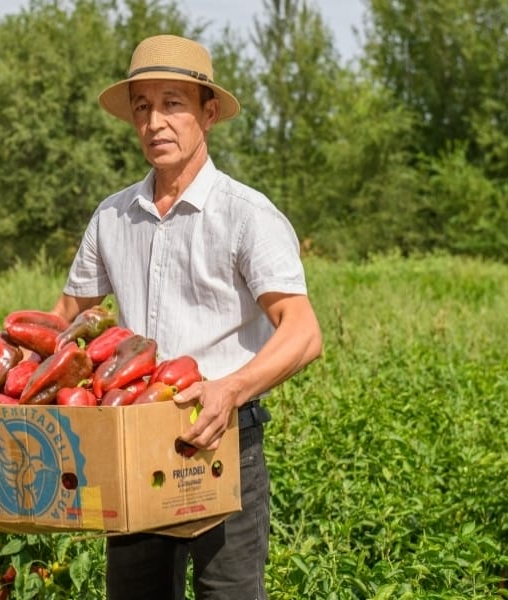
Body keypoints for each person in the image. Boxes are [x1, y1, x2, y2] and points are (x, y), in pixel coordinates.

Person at [51, 34, 323, 599]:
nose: (155, 122)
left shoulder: (246, 216)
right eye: (143, 107)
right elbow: (65, 321)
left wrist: (229, 388)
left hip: (223, 442)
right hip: (135, 443)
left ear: (209, 112)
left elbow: (303, 332)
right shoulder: (112, 218)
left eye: (173, 103)